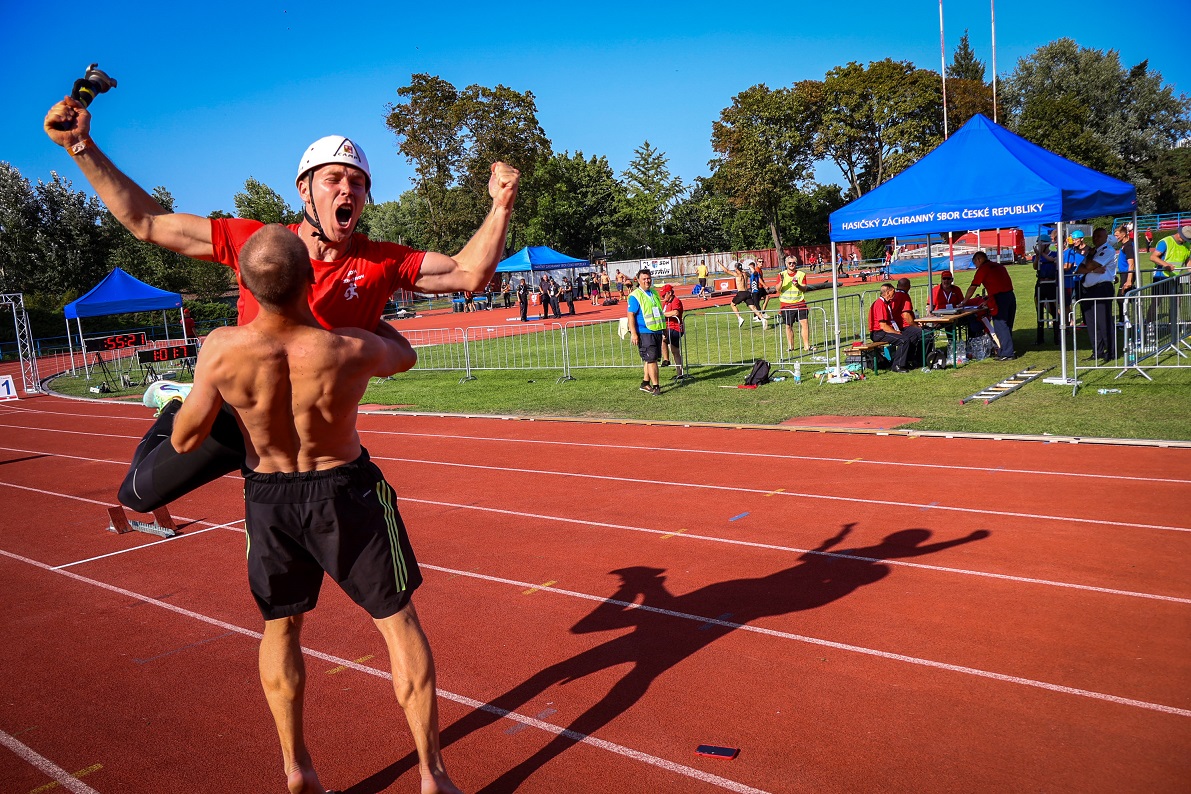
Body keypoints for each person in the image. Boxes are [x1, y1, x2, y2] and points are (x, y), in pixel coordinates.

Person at [44, 98, 519, 514]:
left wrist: (501, 206)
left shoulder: (383, 262)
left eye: (357, 183)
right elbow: (148, 222)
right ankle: (178, 401)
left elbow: (469, 273)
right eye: (334, 178)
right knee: (136, 495)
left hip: (313, 450)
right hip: (237, 414)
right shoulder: (258, 245)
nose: (346, 190)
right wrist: (81, 148)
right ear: (304, 189)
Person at [170, 225, 459, 794]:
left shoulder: (221, 349)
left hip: (269, 498)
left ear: (245, 286)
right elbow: (405, 355)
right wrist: (369, 311)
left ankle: (297, 768)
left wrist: (188, 402)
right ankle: (432, 776)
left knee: (280, 628)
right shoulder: (347, 347)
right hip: (344, 490)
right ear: (309, 280)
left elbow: (183, 440)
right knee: (399, 625)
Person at [964, 250, 1016, 360]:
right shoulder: (999, 266)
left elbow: (973, 287)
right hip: (1010, 296)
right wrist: (988, 300)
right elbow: (1000, 285)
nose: (976, 266)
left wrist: (964, 301)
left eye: (975, 263)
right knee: (1007, 325)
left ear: (979, 259)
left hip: (999, 299)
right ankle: (1005, 349)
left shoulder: (983, 269)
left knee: (1000, 325)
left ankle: (1007, 353)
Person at [1076, 227, 1117, 362]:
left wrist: (1089, 269)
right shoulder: (1092, 252)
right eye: (1094, 236)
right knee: (1091, 322)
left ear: (1106, 238)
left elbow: (1087, 267)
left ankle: (1111, 351)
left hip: (1102, 288)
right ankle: (1097, 351)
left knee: (1104, 321)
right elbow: (1079, 269)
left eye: (1099, 236)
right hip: (1088, 289)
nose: (1095, 239)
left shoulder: (1108, 250)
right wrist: (1092, 269)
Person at [777, 254, 826, 354]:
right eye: (790, 263)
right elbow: (778, 290)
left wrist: (798, 285)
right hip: (786, 305)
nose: (792, 265)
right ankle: (791, 347)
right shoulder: (781, 275)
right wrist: (781, 281)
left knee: (804, 324)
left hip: (800, 303)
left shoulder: (801, 274)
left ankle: (806, 346)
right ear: (786, 264)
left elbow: (804, 288)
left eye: (794, 263)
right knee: (788, 326)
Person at [626, 269, 665, 394]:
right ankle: (656, 386)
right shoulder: (635, 296)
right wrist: (633, 333)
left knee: (651, 359)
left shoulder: (654, 292)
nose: (647, 281)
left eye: (648, 278)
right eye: (644, 279)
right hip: (644, 332)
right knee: (651, 359)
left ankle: (645, 383)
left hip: (656, 330)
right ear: (638, 280)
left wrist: (663, 329)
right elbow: (630, 315)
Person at [868, 283, 913, 372]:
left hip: (884, 331)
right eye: (893, 291)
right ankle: (897, 365)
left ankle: (907, 361)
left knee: (912, 336)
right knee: (903, 340)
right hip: (878, 333)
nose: (895, 293)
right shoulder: (880, 304)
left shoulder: (886, 303)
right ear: (888, 292)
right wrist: (896, 332)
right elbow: (883, 326)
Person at [889, 278, 924, 365]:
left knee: (915, 336)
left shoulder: (894, 295)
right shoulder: (904, 296)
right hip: (903, 326)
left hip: (896, 325)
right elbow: (906, 316)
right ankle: (920, 359)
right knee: (925, 334)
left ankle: (909, 358)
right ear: (908, 287)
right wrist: (916, 326)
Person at [727, 263, 768, 329]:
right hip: (747, 293)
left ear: (736, 268)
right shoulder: (745, 273)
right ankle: (762, 319)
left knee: (732, 304)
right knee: (753, 308)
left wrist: (719, 263)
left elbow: (726, 271)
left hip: (741, 293)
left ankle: (739, 318)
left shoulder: (737, 274)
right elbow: (752, 275)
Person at [658, 283, 685, 378]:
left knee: (674, 350)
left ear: (669, 293)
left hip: (675, 328)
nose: (662, 297)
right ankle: (667, 360)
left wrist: (662, 314)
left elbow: (676, 312)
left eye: (664, 295)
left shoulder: (676, 301)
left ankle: (679, 372)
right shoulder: (665, 303)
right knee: (670, 347)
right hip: (667, 328)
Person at [1033, 233, 1059, 326]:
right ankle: (1040, 338)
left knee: (1053, 309)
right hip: (1041, 283)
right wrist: (1037, 256)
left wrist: (1042, 253)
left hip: (1052, 284)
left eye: (1041, 243)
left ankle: (1057, 336)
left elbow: (1054, 261)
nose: (1039, 245)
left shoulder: (1055, 253)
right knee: (1039, 310)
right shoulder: (1037, 256)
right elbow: (1035, 267)